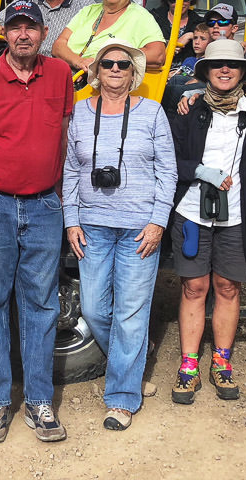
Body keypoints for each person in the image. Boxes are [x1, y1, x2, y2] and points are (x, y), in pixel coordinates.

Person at [0, 0, 74, 444]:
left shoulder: (59, 74)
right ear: (4, 32)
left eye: (31, 27)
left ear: (44, 33)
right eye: (15, 27)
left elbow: (63, 136)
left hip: (43, 205)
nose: (23, 34)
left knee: (42, 304)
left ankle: (39, 401)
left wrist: (63, 199)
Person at [63, 42, 176, 431]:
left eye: (122, 65)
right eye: (107, 63)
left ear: (133, 74)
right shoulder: (78, 112)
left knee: (131, 312)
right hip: (92, 225)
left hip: (138, 228)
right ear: (96, 71)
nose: (114, 69)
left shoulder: (152, 112)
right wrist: (71, 220)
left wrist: (158, 221)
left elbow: (169, 172)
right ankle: (134, 362)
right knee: (93, 308)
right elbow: (69, 170)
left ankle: (122, 398)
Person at [168, 39, 246, 405]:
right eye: (217, 65)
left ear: (243, 72)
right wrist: (199, 170)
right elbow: (167, 158)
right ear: (206, 73)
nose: (225, 71)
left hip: (238, 214)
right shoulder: (187, 110)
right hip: (193, 211)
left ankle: (222, 362)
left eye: (232, 65)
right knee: (194, 287)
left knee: (228, 287)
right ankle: (189, 364)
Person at [52, 0, 166, 73]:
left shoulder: (140, 16)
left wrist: (106, 60)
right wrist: (79, 62)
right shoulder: (88, 10)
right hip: (67, 74)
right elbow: (58, 46)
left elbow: (158, 56)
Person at [151, 0, 205, 64]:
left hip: (187, 74)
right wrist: (173, 44)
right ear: (167, 0)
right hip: (157, 72)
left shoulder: (200, 23)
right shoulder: (152, 19)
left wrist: (193, 35)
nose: (179, 3)